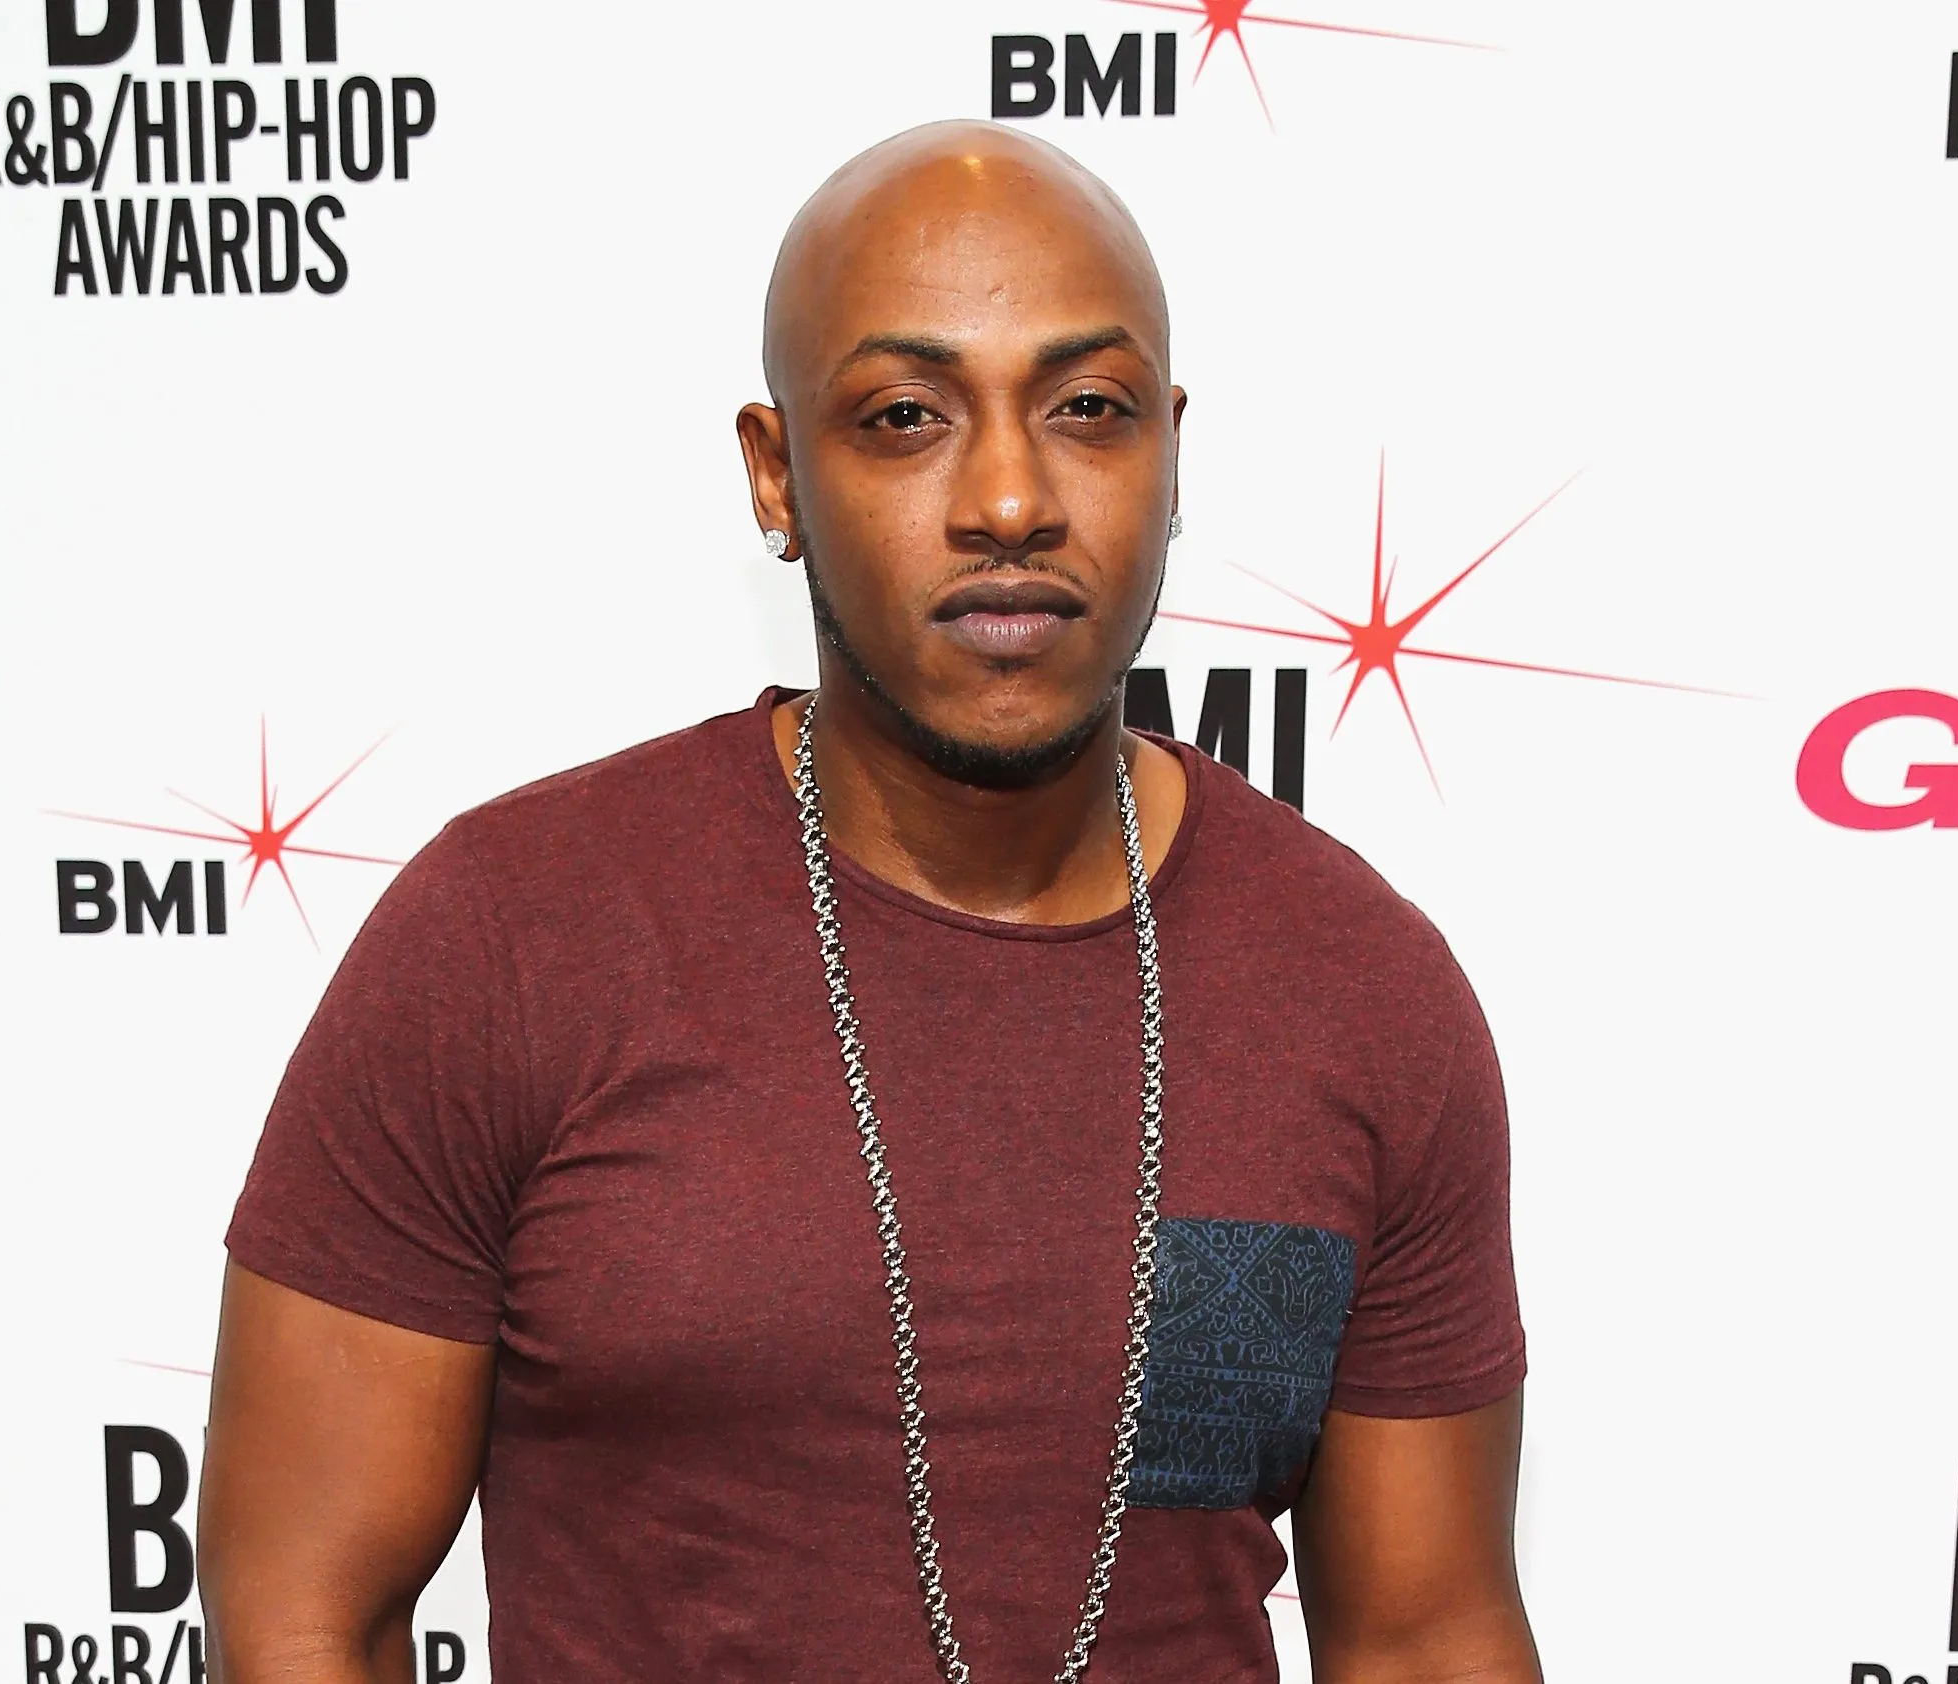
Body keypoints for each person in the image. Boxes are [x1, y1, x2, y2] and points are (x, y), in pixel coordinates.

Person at [199, 120, 1539, 1684]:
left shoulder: (1363, 993)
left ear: (1169, 454)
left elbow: (1429, 1635)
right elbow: (302, 1611)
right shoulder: (513, 939)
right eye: (907, 417)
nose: (1010, 500)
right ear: (778, 475)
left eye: (1087, 410)